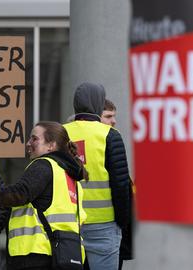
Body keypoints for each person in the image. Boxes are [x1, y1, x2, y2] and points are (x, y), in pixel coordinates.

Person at [0, 121, 88, 270]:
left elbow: (17, 194)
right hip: (65, 255)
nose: (28, 144)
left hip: (36, 254)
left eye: (34, 139)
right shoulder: (70, 177)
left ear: (51, 145)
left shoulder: (44, 165)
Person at [63, 82, 131, 270]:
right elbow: (121, 184)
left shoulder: (60, 133)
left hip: (67, 223)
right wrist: (122, 221)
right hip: (104, 224)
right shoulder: (110, 135)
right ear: (99, 103)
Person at [100, 99, 134, 270]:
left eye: (114, 116)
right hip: (106, 228)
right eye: (108, 116)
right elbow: (120, 188)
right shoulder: (109, 140)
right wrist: (122, 222)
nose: (113, 121)